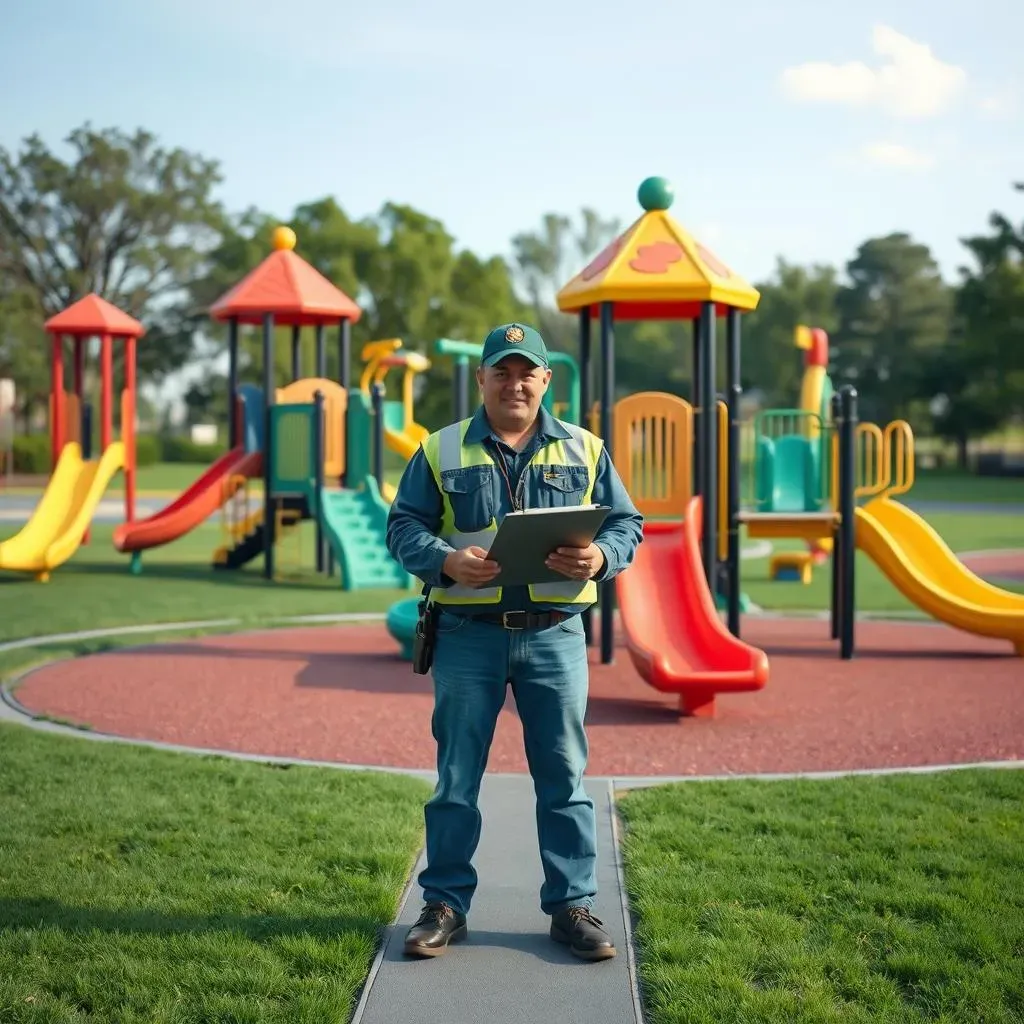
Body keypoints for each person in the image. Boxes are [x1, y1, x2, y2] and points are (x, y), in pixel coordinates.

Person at [385, 321, 644, 962]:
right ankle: (444, 905)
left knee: (564, 779)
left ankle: (572, 906)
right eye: (501, 370)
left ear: (545, 380)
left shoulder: (587, 449)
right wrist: (446, 561)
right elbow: (403, 527)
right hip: (466, 638)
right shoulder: (439, 449)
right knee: (455, 780)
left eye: (527, 370)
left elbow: (627, 523)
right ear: (482, 379)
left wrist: (602, 559)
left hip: (555, 639)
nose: (514, 382)